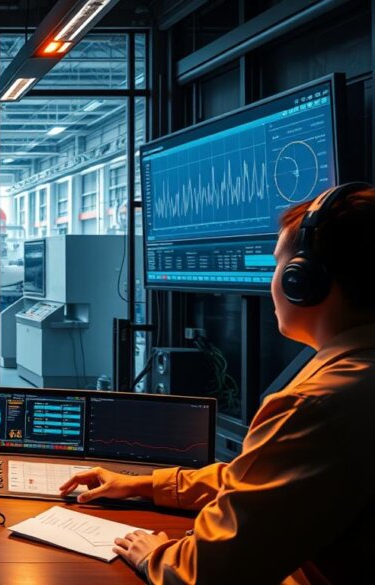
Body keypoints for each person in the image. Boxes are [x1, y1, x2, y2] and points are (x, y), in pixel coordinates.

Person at [59, 182, 375, 584]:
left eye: (278, 265)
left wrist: (157, 555)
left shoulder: (315, 405)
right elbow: (266, 483)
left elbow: (207, 574)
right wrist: (144, 485)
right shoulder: (353, 381)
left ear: (304, 281)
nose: (272, 280)